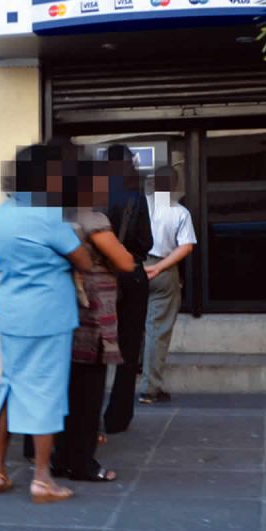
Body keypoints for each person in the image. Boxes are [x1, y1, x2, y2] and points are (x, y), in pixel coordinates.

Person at [0, 143, 91, 504]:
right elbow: (84, 261)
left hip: (13, 311)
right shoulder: (48, 215)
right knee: (46, 392)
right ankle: (42, 480)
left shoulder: (4, 212)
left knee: (11, 386)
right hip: (48, 314)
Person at [55, 157, 134, 481]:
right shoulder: (92, 218)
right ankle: (82, 462)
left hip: (65, 310)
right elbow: (125, 261)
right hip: (93, 314)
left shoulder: (58, 216)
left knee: (67, 390)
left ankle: (61, 459)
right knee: (89, 393)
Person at [101, 145, 153, 434]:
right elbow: (146, 241)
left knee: (95, 351)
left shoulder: (92, 195)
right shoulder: (135, 196)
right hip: (131, 276)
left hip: (100, 277)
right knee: (129, 350)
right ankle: (118, 417)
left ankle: (87, 415)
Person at [138, 165, 196, 405]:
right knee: (157, 330)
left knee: (133, 325)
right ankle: (149, 389)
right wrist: (159, 267)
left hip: (134, 267)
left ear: (153, 183)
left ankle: (131, 375)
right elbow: (186, 246)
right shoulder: (180, 212)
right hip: (163, 270)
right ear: (175, 185)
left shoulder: (139, 205)